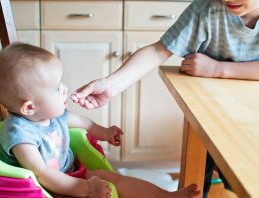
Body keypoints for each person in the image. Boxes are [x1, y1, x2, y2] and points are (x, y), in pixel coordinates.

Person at [70, 0, 259, 197]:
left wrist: (218, 69)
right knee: (200, 173)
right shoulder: (207, 8)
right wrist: (112, 84)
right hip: (208, 112)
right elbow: (159, 50)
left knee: (244, 176)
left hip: (251, 117)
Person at [0, 42, 200, 198]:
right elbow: (42, 175)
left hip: (71, 173)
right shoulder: (21, 137)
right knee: (102, 185)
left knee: (115, 178)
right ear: (30, 107)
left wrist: (105, 132)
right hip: (47, 189)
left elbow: (84, 123)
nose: (64, 88)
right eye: (57, 88)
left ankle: (167, 196)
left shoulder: (51, 115)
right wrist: (85, 188)